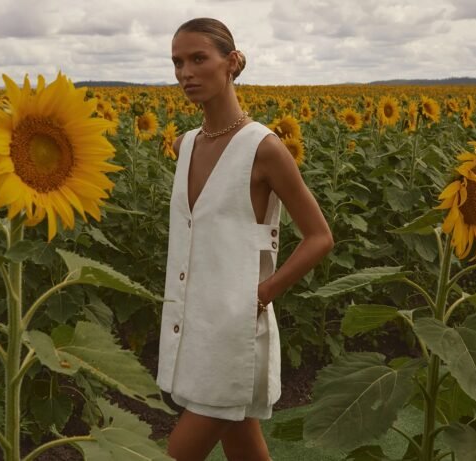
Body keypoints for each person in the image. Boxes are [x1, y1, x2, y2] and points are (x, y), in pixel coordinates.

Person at [156, 17, 334, 461]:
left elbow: (319, 237)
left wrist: (261, 295)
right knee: (245, 451)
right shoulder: (185, 145)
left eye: (199, 58)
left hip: (234, 335)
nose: (186, 73)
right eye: (178, 62)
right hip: (191, 326)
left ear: (231, 63)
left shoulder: (263, 147)